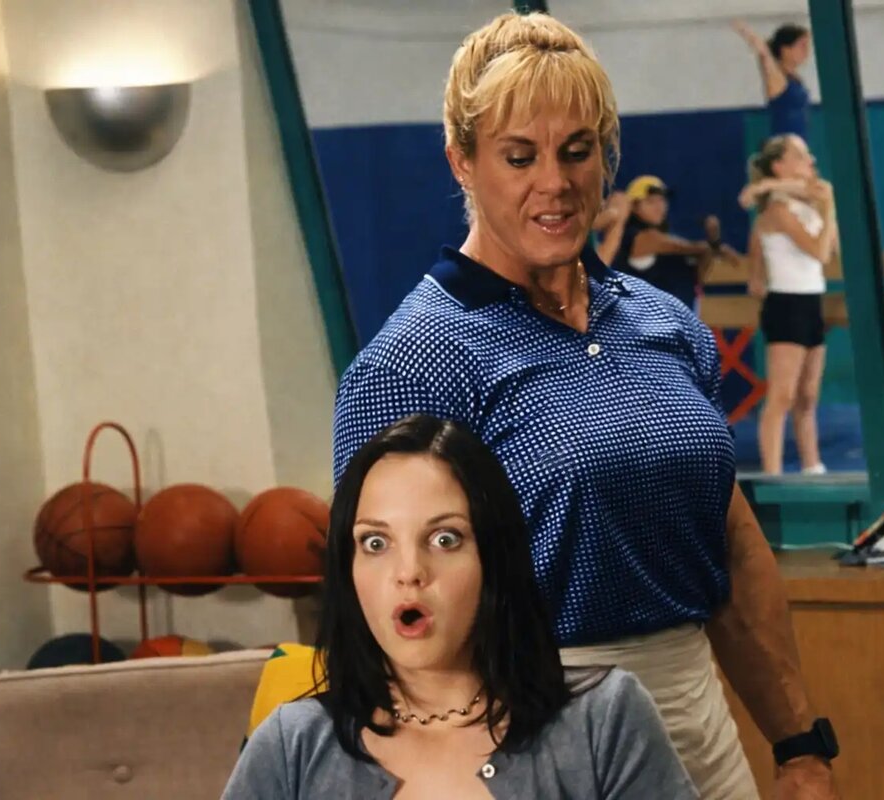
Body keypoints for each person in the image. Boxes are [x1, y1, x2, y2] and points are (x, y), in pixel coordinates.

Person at [333, 12, 840, 800]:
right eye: (519, 157)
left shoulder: (665, 324)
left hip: (700, 725)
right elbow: (382, 622)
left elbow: (731, 548)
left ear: (607, 157)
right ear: (462, 161)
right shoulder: (414, 361)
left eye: (577, 151)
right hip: (527, 741)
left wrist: (798, 744)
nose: (555, 183)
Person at [224, 415, 698, 799]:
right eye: (375, 543)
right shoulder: (293, 744)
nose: (409, 572)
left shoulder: (603, 720)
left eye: (444, 539)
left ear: (493, 557)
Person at [743, 135, 836, 476]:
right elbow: (820, 252)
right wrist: (829, 207)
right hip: (787, 303)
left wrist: (824, 207)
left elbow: (832, 247)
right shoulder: (778, 210)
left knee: (808, 395)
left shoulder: (804, 202)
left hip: (811, 299)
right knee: (782, 395)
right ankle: (773, 472)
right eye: (800, 155)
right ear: (779, 165)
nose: (810, 160)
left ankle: (813, 465)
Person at [602, 175, 733, 312]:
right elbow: (687, 247)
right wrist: (714, 245)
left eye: (662, 200)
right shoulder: (638, 237)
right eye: (651, 202)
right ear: (633, 207)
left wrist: (711, 247)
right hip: (650, 320)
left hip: (682, 317)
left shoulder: (666, 238)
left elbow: (697, 275)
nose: (659, 207)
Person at [732, 21, 812, 140]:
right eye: (802, 46)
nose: (806, 51)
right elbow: (764, 54)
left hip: (799, 141)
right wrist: (746, 32)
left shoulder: (795, 78)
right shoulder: (777, 78)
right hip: (784, 143)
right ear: (786, 49)